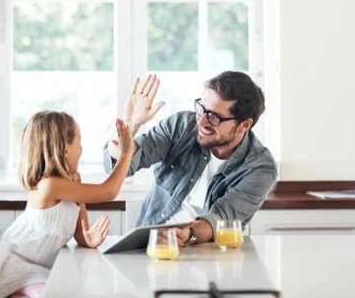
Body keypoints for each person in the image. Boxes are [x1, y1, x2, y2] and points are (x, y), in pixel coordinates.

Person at [104, 71, 277, 247]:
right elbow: (119, 168)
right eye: (201, 108)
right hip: (152, 246)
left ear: (244, 125)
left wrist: (189, 233)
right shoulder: (181, 125)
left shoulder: (260, 168)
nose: (201, 122)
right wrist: (130, 124)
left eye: (214, 117)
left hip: (208, 254)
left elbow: (221, 218)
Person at [0, 111, 133, 298]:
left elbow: (80, 231)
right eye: (80, 142)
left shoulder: (73, 181)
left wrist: (87, 238)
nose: (82, 149)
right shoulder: (49, 186)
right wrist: (126, 154)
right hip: (14, 268)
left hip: (37, 270)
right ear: (65, 150)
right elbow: (108, 191)